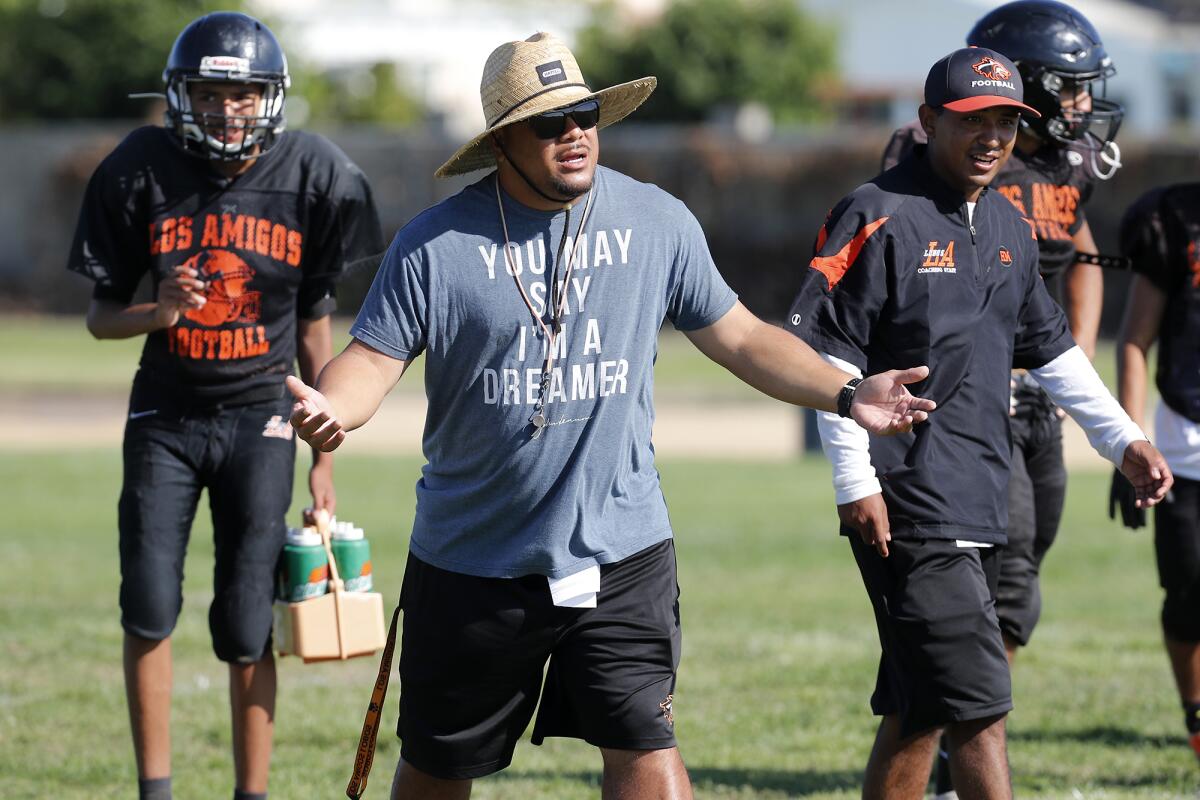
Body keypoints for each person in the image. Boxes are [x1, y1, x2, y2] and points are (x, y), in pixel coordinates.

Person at [285, 32, 934, 800]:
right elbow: (370, 360)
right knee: (437, 770)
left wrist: (845, 393)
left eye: (584, 113)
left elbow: (744, 337)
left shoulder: (656, 221)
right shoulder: (436, 245)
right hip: (472, 563)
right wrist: (334, 406)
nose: (575, 134)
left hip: (623, 551)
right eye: (549, 123)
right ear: (502, 143)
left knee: (647, 751)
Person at [789, 46, 1172, 800]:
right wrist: (853, 480)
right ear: (929, 121)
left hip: (982, 494)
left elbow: (1052, 350)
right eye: (974, 120)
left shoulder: (1006, 220)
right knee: (981, 710)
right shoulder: (875, 213)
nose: (993, 135)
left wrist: (1122, 437)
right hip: (909, 504)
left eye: (1006, 120)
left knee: (920, 707)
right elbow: (827, 358)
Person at [65, 12, 384, 800]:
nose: (227, 109)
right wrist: (161, 310)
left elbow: (316, 327)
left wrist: (326, 458)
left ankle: (252, 794)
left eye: (243, 94)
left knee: (247, 624)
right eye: (211, 93)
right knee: (148, 604)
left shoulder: (316, 173)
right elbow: (103, 317)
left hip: (260, 417)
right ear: (182, 97)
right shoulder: (141, 166)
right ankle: (156, 790)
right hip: (165, 417)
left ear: (270, 99)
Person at [881, 5, 1126, 793]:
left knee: (1016, 597)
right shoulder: (948, 161)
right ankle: (964, 742)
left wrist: (1071, 355)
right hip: (966, 408)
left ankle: (955, 737)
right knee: (993, 587)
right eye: (1072, 88)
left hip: (1035, 399)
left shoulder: (1058, 159)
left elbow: (1081, 247)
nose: (1084, 105)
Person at [1113, 181, 1200, 766]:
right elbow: (1136, 340)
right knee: (1190, 592)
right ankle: (1196, 715)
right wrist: (1131, 442)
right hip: (1188, 441)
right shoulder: (1175, 221)